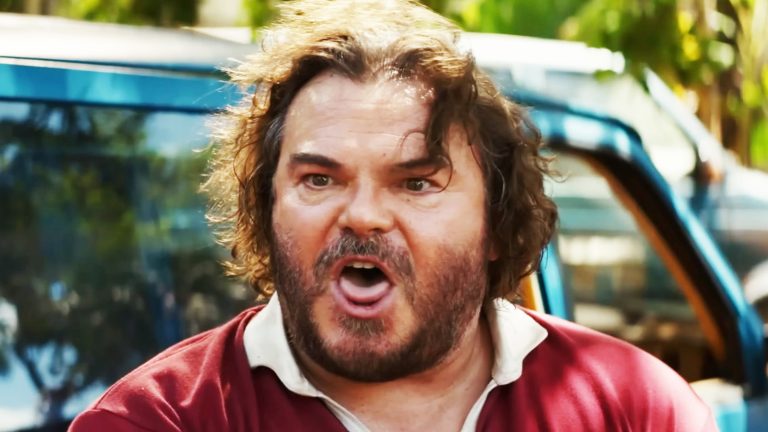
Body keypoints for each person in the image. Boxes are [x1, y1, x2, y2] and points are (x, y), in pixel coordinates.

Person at [70, 0, 716, 430]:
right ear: (267, 208)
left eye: (416, 183)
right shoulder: (157, 421)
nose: (363, 215)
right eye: (319, 179)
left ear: (495, 223)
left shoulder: (638, 410)